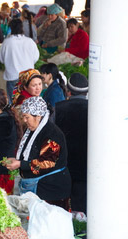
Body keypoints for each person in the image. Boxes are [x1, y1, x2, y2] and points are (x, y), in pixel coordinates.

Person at [5, 96, 71, 210]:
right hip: (39, 187)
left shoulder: (52, 134)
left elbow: (46, 163)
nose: (24, 121)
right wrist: (17, 160)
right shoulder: (32, 129)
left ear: (38, 116)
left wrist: (20, 164)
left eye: (27, 117)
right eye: (23, 117)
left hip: (51, 190)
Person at [55, 73, 88, 213]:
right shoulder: (95, 109)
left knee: (62, 203)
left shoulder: (58, 108)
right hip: (86, 163)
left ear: (68, 91)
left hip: (63, 163)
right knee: (81, 201)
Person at [0, 19, 39, 103]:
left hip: (12, 77)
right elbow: (35, 57)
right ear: (22, 28)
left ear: (11, 28)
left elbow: (1, 59)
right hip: (28, 77)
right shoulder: (30, 41)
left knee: (14, 105)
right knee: (29, 103)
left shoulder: (7, 42)